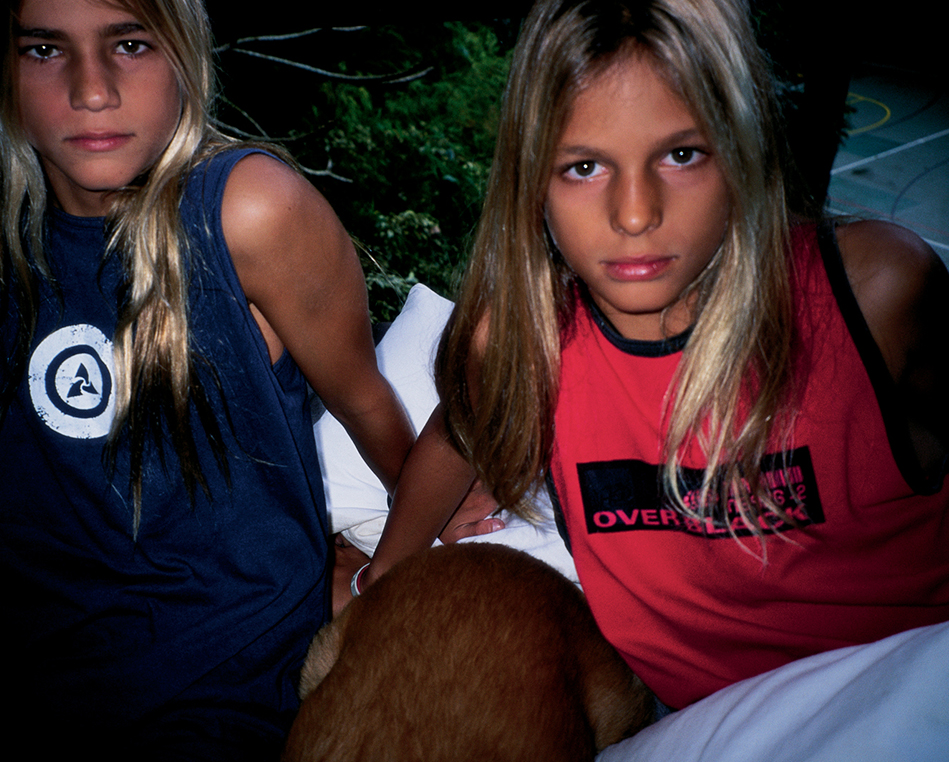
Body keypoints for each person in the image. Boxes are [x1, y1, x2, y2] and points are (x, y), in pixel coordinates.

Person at [349, 0, 949, 714]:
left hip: (903, 693)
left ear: (741, 150)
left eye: (681, 154)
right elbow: (459, 429)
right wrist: (378, 577)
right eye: (582, 167)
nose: (634, 214)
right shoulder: (523, 344)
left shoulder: (873, 298)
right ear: (529, 183)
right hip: (688, 719)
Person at [0, 0, 415, 757]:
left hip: (218, 683)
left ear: (185, 52)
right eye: (44, 50)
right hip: (5, 675)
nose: (91, 90)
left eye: (131, 44)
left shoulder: (250, 212)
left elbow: (363, 398)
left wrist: (413, 529)